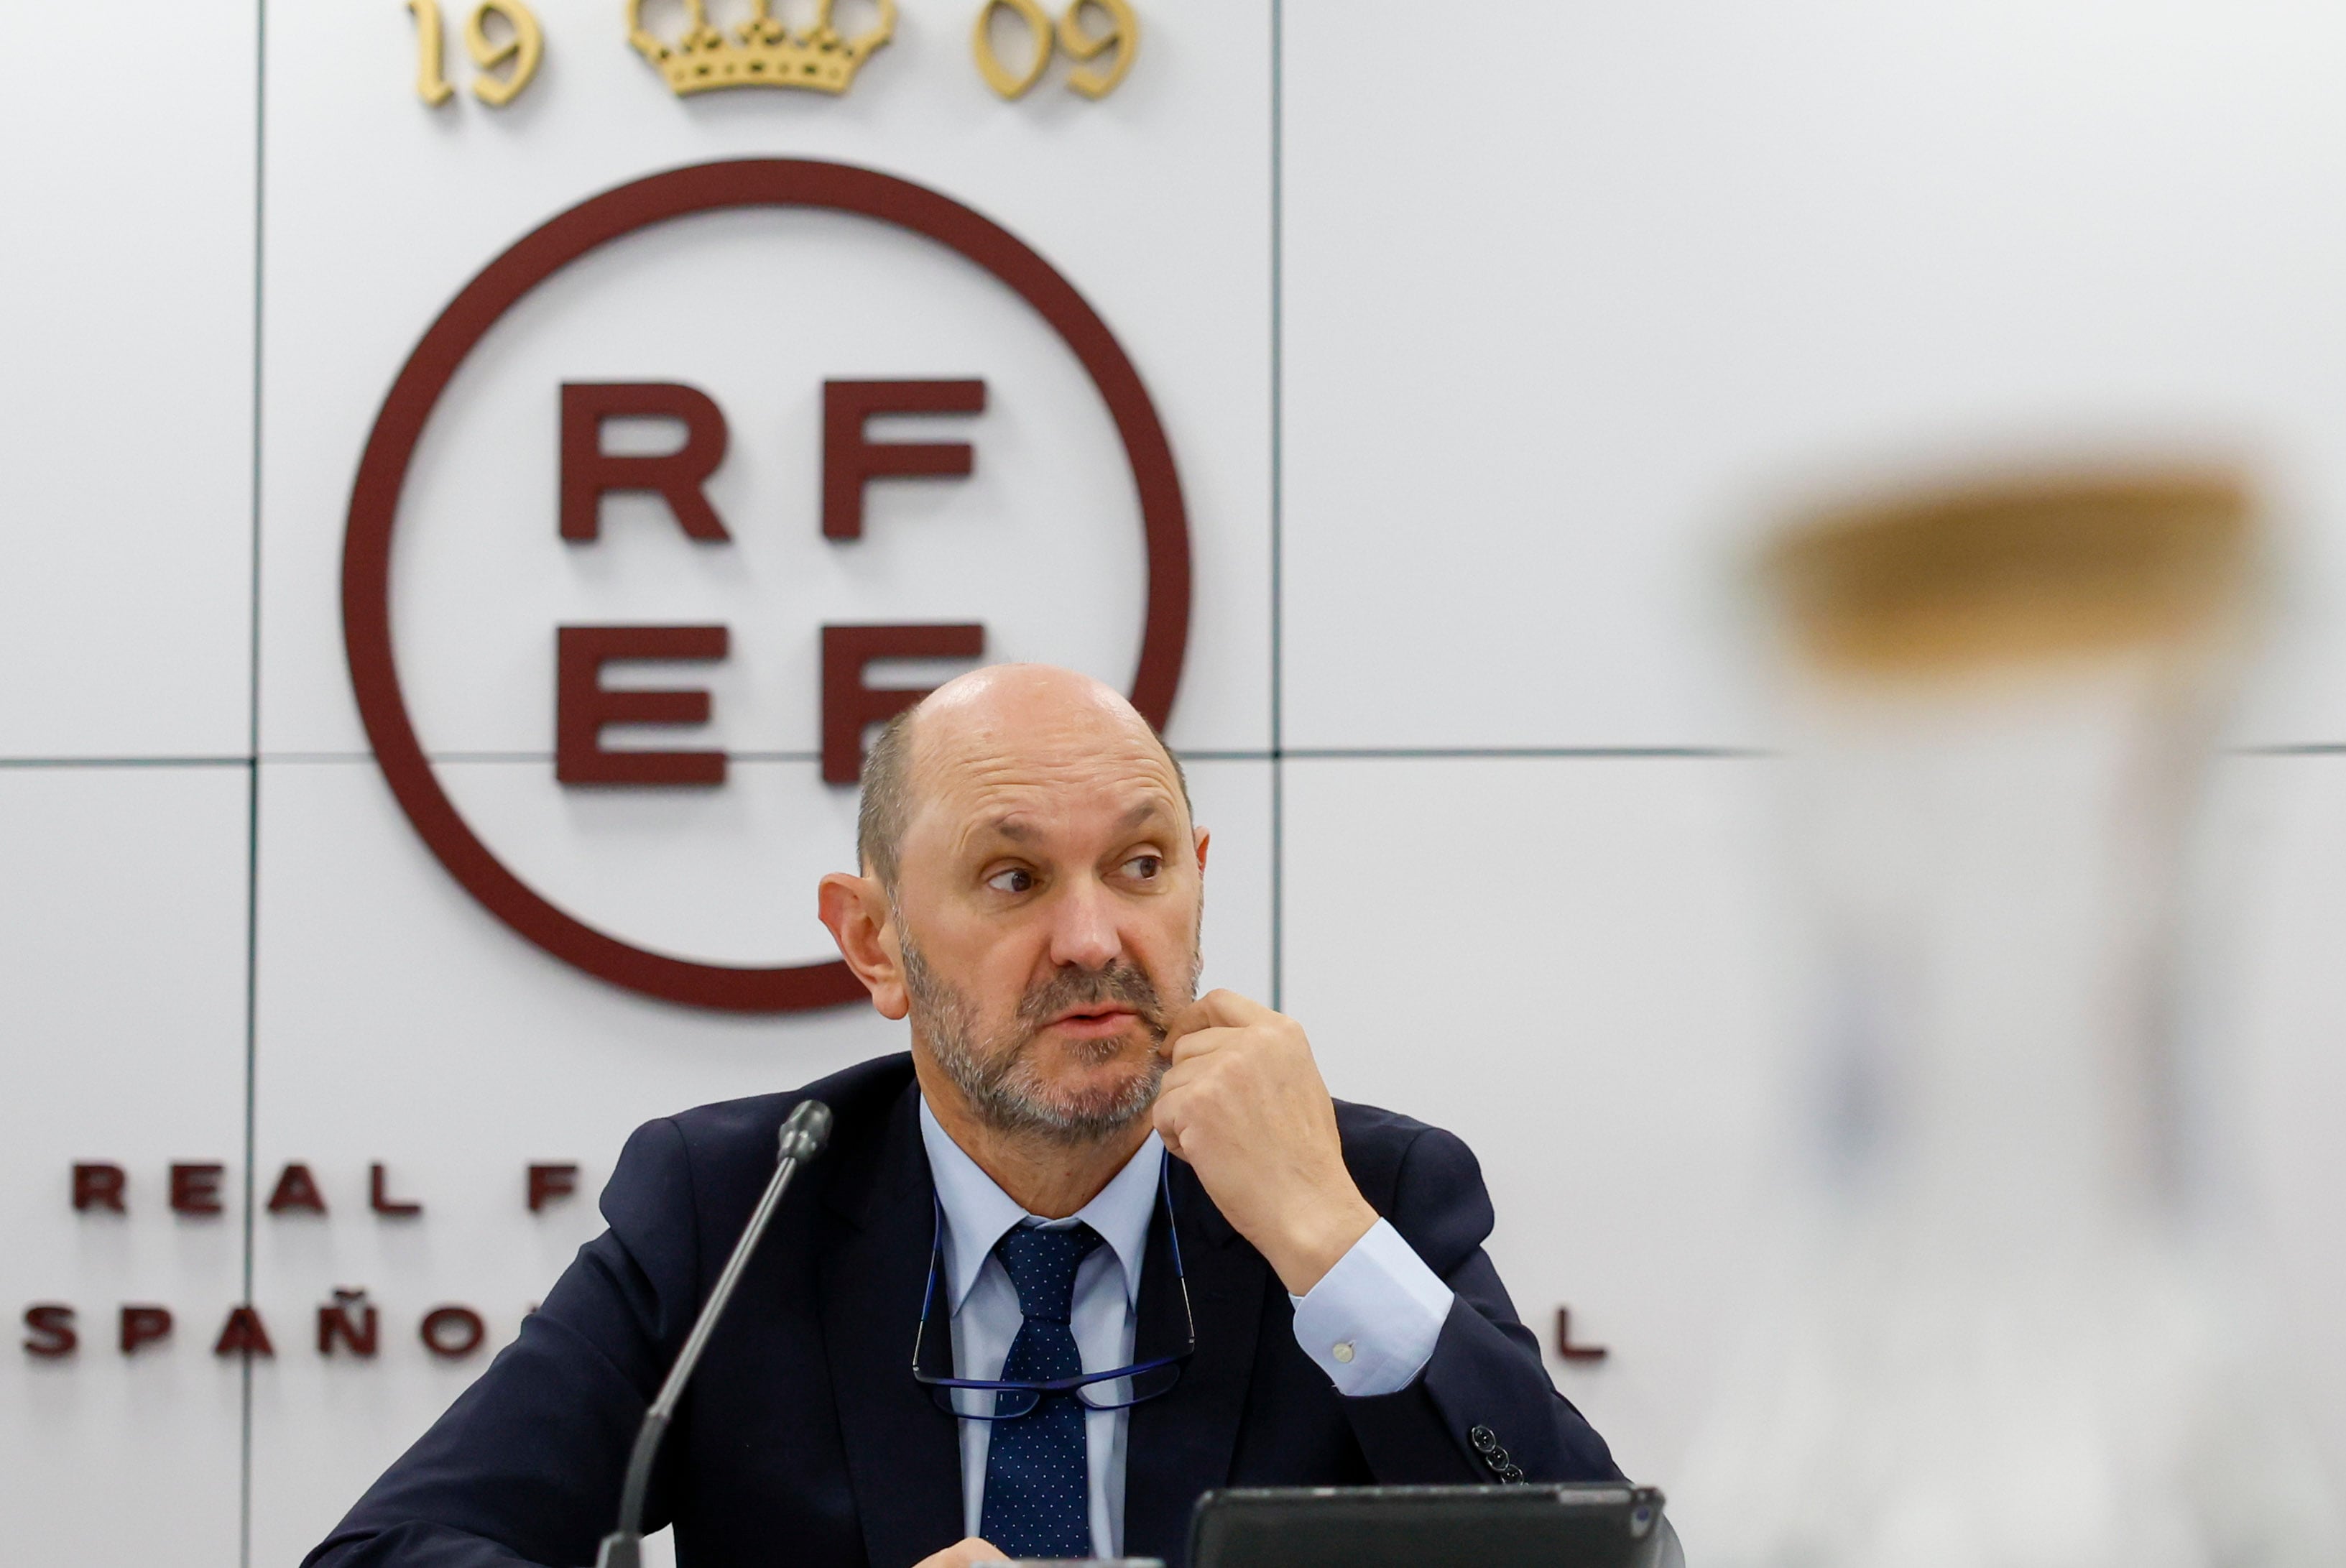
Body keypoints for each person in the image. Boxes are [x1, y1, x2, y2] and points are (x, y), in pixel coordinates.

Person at [306, 665, 1620, 1568]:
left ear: (1197, 885)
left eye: (1142, 865)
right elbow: (386, 1552)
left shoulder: (1366, 1189)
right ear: (873, 940)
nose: (1096, 936)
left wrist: (1329, 1241)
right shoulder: (735, 1208)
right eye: (1013, 876)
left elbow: (1595, 1553)